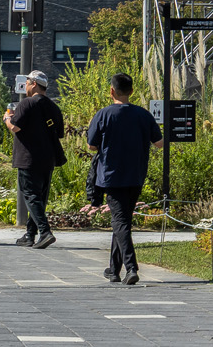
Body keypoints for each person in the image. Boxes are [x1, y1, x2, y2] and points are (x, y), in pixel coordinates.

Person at [84, 72, 161, 284]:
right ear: (132, 91)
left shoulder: (104, 114)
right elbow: (159, 143)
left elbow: (91, 146)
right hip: (136, 174)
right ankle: (113, 269)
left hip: (111, 175)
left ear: (111, 91)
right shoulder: (144, 115)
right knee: (123, 220)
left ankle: (131, 268)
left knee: (120, 222)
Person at [4, 69, 66, 249]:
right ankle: (30, 235)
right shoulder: (54, 107)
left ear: (33, 85)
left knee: (30, 196)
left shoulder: (26, 104)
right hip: (48, 159)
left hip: (28, 158)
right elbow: (59, 133)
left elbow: (15, 128)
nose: (25, 85)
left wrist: (7, 119)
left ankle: (45, 232)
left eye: (27, 82)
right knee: (39, 198)